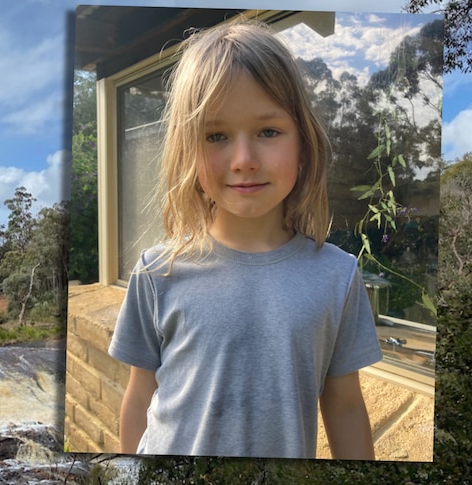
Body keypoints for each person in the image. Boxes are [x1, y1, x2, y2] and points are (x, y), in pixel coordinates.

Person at [108, 20, 382, 460]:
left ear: (304, 143)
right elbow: (141, 397)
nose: (243, 161)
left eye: (268, 132)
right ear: (186, 150)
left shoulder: (338, 277)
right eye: (216, 136)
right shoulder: (157, 272)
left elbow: (346, 408)